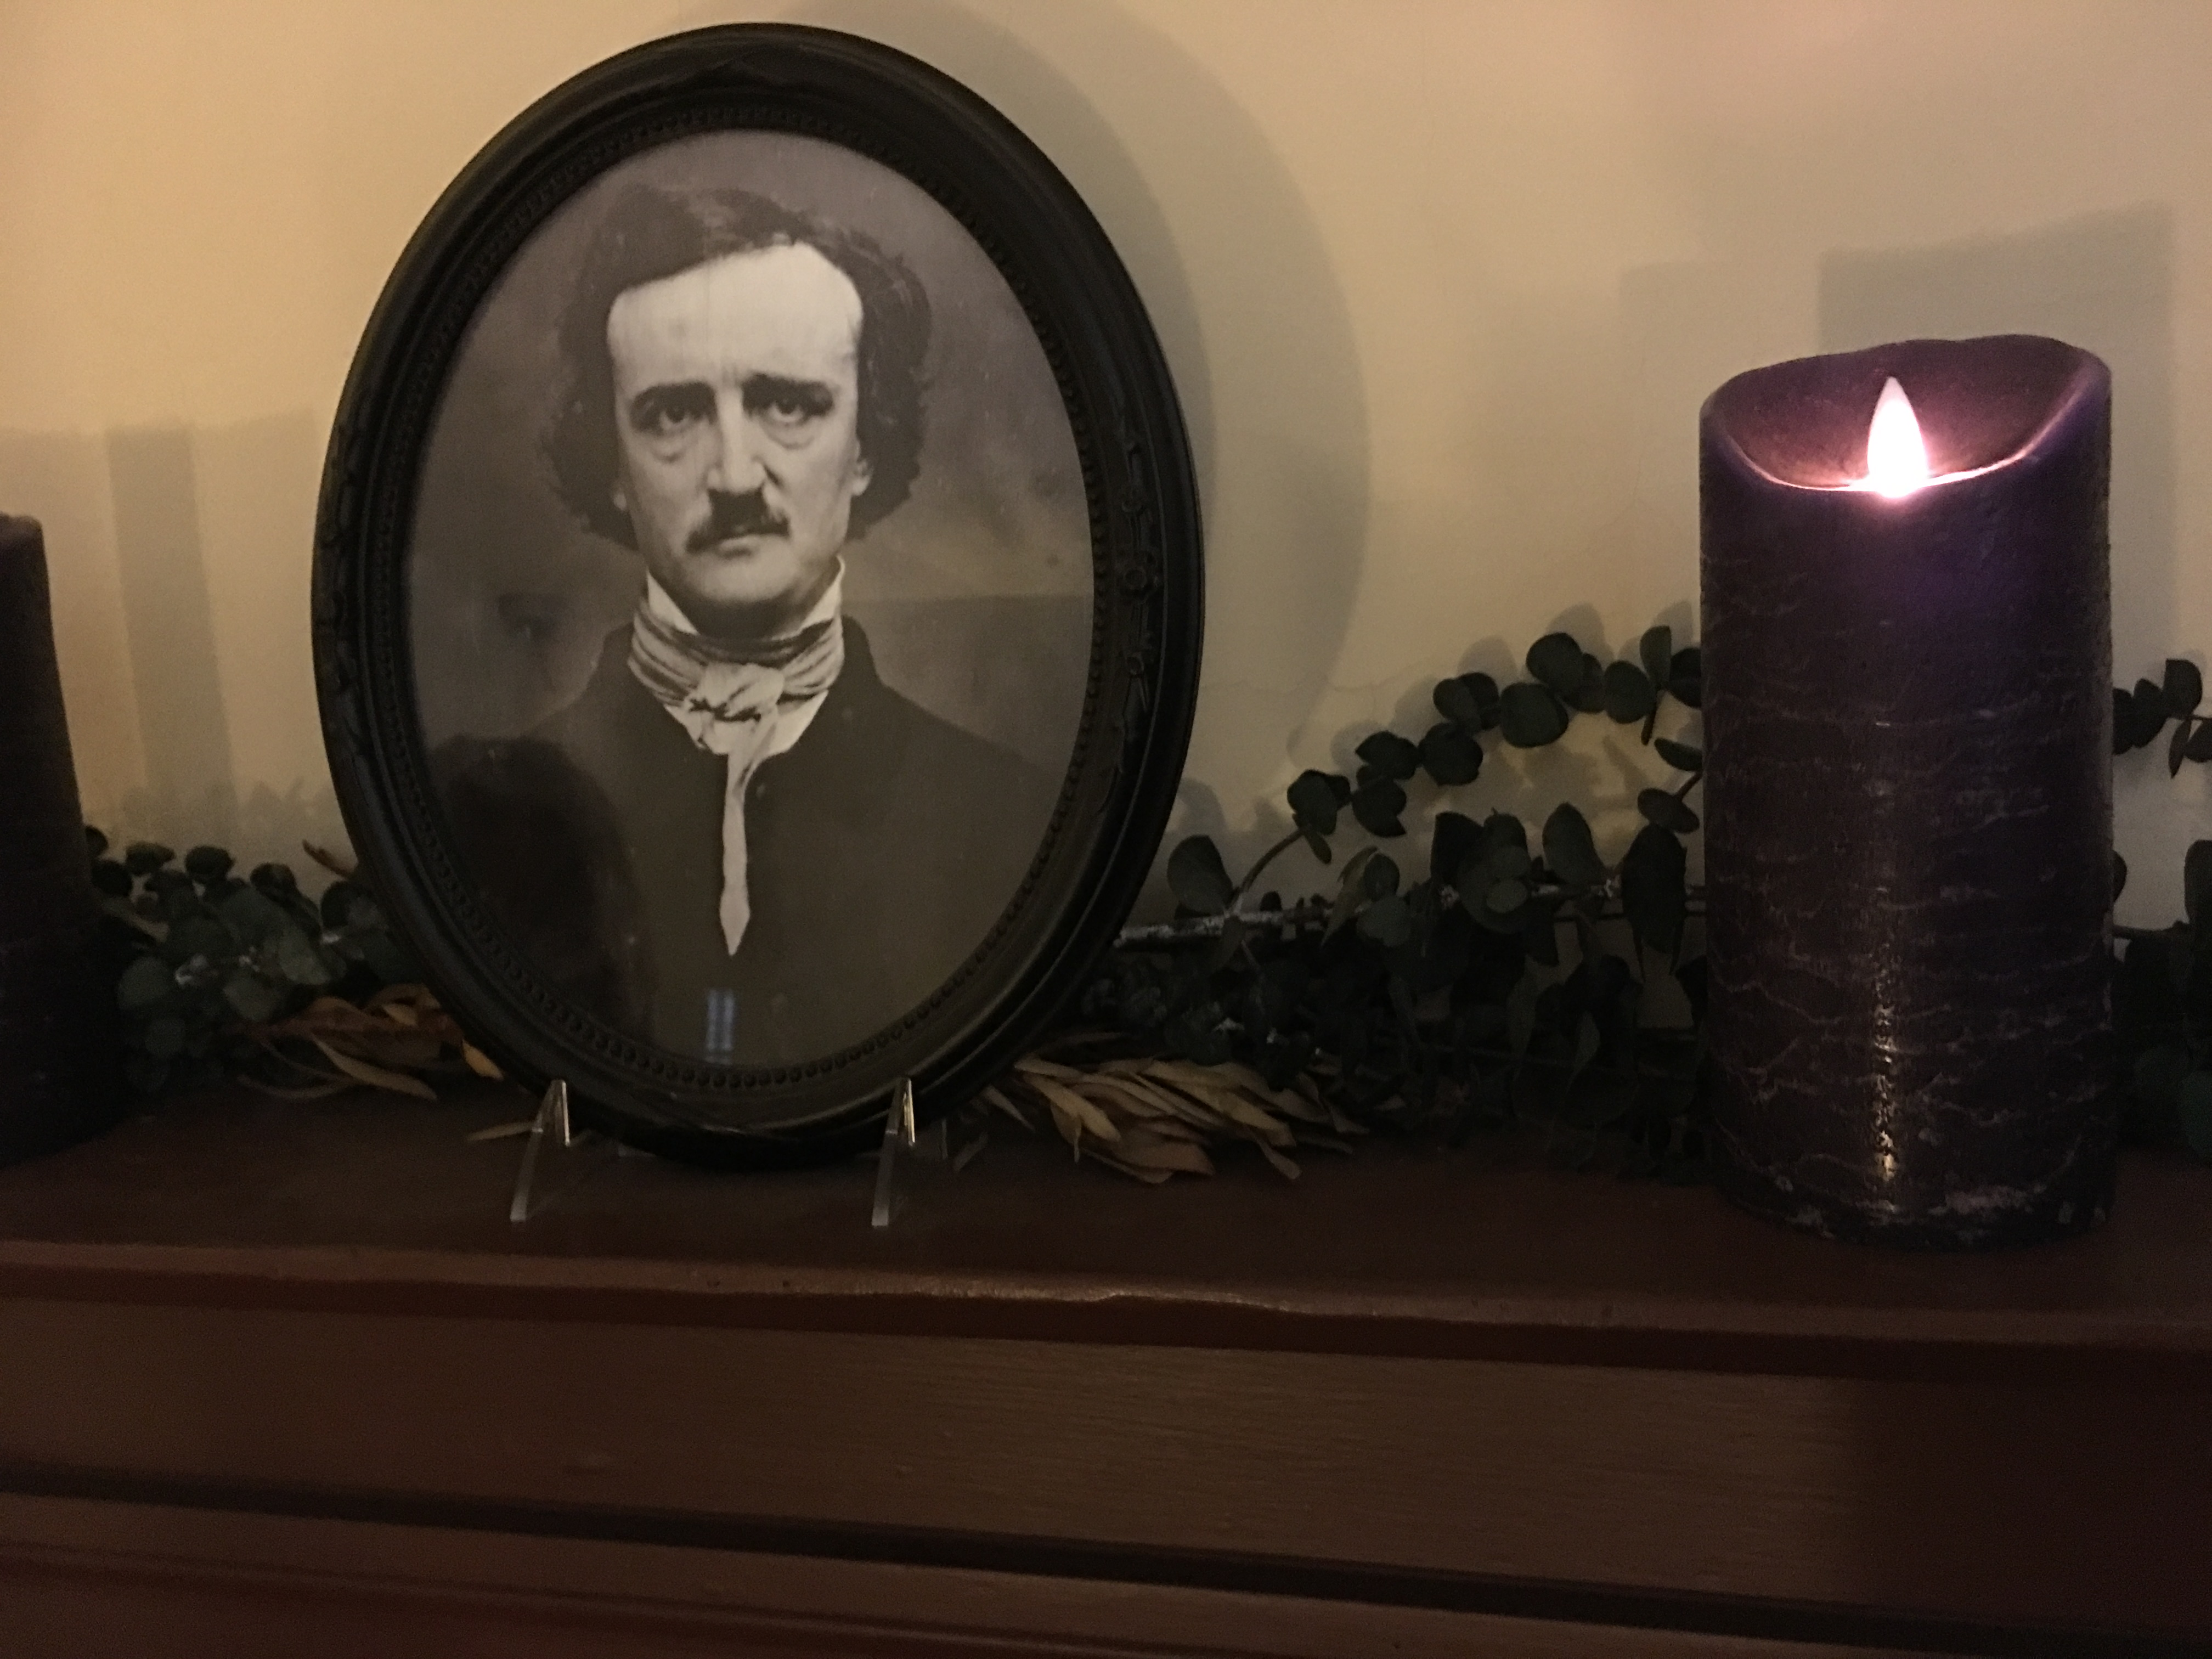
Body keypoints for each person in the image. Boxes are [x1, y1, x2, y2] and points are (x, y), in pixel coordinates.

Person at [437, 183, 1054, 1066]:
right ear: (611, 465)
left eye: (788, 405)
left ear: (864, 446)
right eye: (674, 414)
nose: (734, 476)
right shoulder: (499, 816)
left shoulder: (1005, 812)